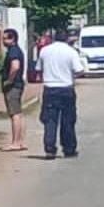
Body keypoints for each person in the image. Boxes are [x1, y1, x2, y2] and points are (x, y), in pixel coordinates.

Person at [35, 29, 85, 160]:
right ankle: (68, 148)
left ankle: (50, 149)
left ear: (54, 38)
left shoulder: (45, 51)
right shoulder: (71, 52)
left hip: (50, 89)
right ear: (67, 39)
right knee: (68, 121)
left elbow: (38, 69)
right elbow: (79, 70)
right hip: (66, 89)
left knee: (50, 121)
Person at [1, 28, 28, 151]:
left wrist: (9, 80)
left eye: (5, 38)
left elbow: (15, 66)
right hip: (17, 85)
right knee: (18, 114)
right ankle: (20, 141)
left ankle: (16, 142)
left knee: (14, 114)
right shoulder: (15, 50)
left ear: (12, 39)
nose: (3, 41)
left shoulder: (13, 51)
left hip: (13, 86)